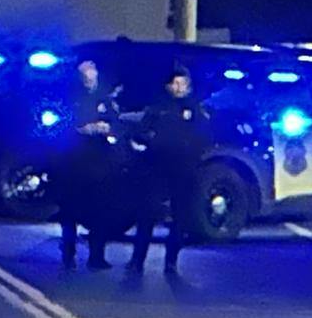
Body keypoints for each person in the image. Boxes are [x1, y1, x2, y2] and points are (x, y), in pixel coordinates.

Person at [128, 66, 209, 276]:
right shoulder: (157, 108)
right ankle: (138, 260)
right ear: (168, 86)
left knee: (179, 218)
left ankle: (171, 262)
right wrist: (148, 144)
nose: (180, 87)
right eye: (176, 83)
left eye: (183, 83)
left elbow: (203, 137)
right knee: (147, 215)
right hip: (157, 168)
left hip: (183, 170)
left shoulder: (195, 109)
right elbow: (141, 133)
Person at [55, 58, 124, 270]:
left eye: (90, 73)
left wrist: (106, 128)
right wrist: (81, 130)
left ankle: (97, 256)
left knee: (100, 211)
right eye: (84, 74)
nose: (88, 77)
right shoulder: (71, 98)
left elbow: (116, 124)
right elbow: (61, 123)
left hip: (100, 163)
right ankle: (68, 253)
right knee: (70, 211)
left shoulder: (105, 98)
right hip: (74, 162)